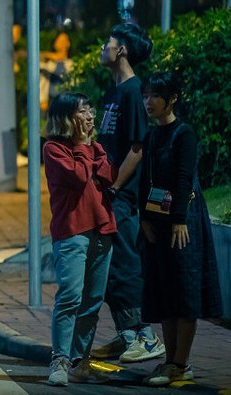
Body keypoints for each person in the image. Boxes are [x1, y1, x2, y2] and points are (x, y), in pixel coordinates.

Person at [138, 72, 222, 387]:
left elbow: (185, 178)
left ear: (172, 99)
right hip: (157, 221)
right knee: (164, 290)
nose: (149, 102)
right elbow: (144, 180)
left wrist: (179, 220)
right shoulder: (152, 135)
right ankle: (169, 361)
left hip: (182, 222)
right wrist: (143, 217)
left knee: (184, 289)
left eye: (155, 96)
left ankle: (181, 363)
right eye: (146, 95)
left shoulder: (184, 134)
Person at [91, 23, 165, 363]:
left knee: (123, 263)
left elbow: (137, 147)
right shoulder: (112, 93)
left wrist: (116, 185)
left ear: (121, 50)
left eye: (109, 42)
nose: (103, 46)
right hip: (106, 193)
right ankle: (126, 335)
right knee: (105, 266)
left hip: (120, 196)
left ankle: (145, 337)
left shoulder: (135, 92)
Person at [43, 92, 119, 386]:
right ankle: (60, 359)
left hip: (102, 228)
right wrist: (85, 148)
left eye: (90, 111)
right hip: (72, 230)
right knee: (70, 297)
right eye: (82, 111)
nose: (90, 117)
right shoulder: (53, 149)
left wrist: (89, 152)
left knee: (92, 302)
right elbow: (78, 176)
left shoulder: (94, 147)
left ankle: (80, 360)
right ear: (65, 118)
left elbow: (108, 175)